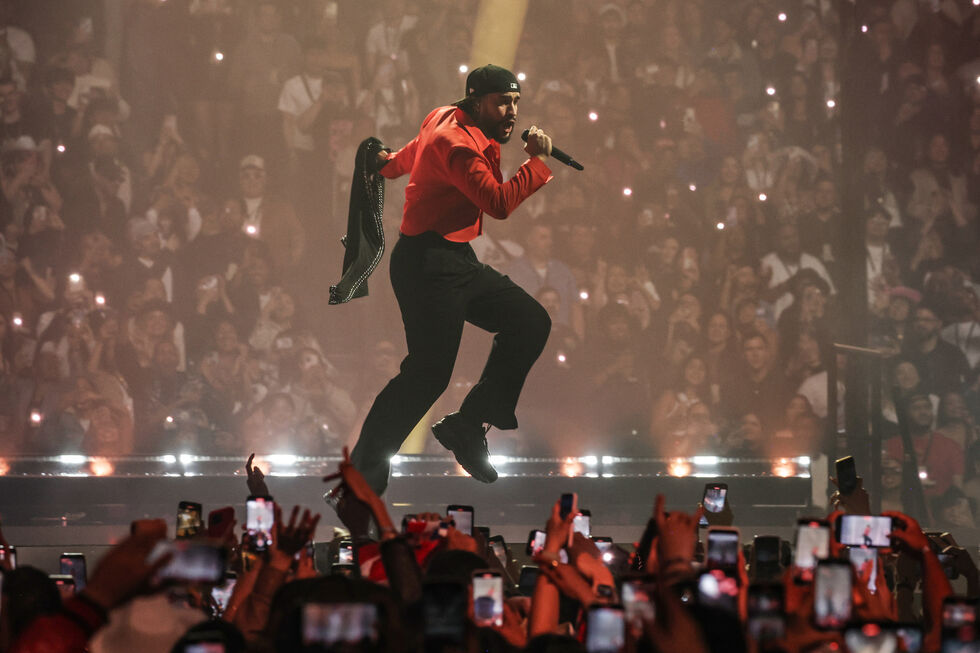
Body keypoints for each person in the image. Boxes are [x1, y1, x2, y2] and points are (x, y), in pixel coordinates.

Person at [350, 64, 554, 494]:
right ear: (477, 100)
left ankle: (467, 424)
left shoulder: (442, 116)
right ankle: (361, 480)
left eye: (515, 101)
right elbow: (497, 203)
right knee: (427, 374)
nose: (511, 111)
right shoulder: (457, 145)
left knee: (531, 321)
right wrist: (536, 163)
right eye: (502, 102)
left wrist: (387, 166)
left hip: (455, 259)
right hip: (426, 267)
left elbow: (414, 152)